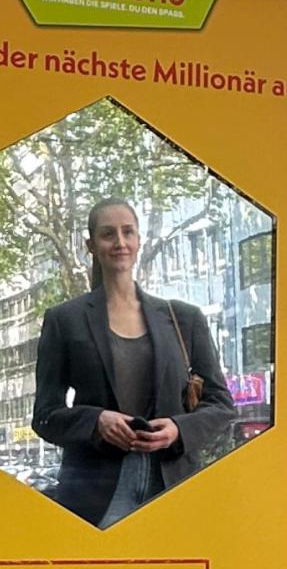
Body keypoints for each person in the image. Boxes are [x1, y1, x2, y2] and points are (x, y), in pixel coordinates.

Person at [32, 199, 237, 526]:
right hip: (93, 492)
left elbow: (222, 404)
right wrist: (96, 420)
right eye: (108, 234)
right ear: (91, 245)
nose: (120, 242)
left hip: (172, 483)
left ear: (139, 240)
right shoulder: (64, 320)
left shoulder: (184, 318)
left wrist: (177, 429)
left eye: (128, 232)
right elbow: (44, 417)